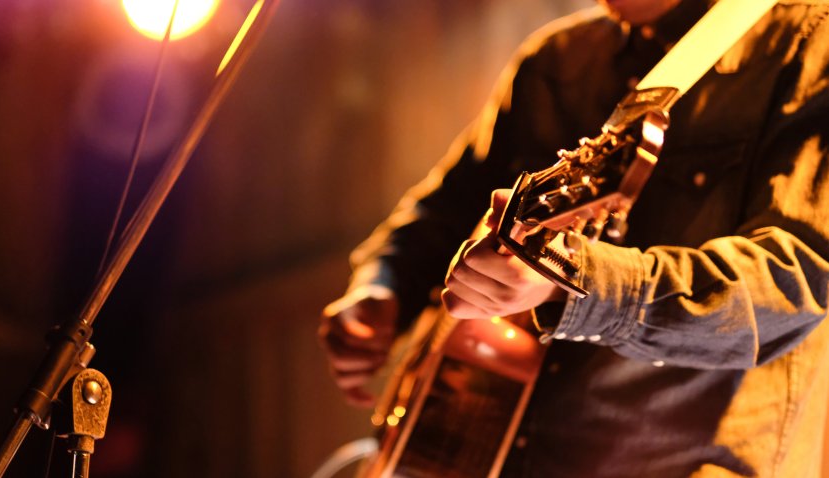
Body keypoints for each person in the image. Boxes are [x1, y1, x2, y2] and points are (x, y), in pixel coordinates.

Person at [318, 0, 829, 475]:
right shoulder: (555, 61)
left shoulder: (808, 41)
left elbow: (794, 280)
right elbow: (440, 214)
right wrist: (381, 289)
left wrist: (573, 283)